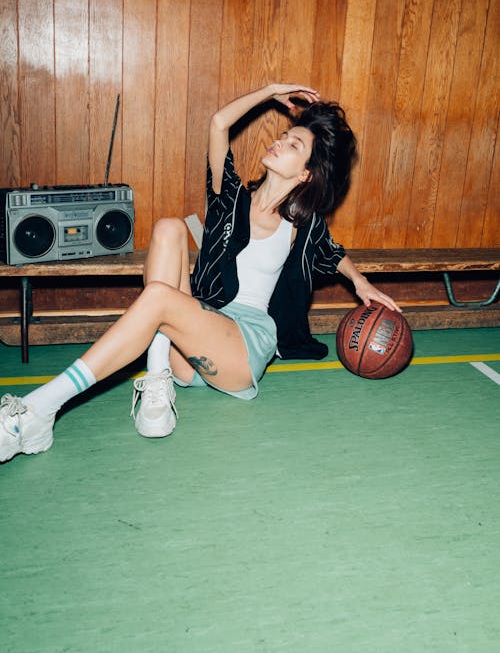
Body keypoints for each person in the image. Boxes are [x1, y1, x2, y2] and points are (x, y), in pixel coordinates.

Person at [0, 83, 400, 463]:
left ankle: (38, 411)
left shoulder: (301, 223)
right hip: (193, 339)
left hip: (241, 345)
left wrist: (360, 281)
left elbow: (332, 253)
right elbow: (219, 124)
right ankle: (158, 380)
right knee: (169, 227)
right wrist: (268, 92)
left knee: (158, 297)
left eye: (294, 144)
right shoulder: (229, 199)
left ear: (306, 174)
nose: (279, 142)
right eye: (285, 135)